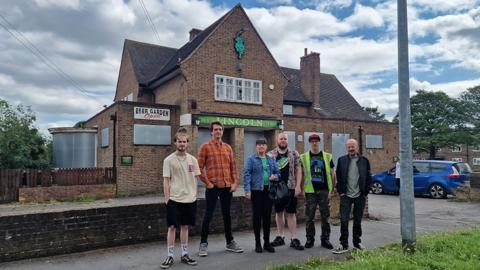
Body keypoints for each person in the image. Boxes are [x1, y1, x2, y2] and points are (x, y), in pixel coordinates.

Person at [197, 121, 243, 257]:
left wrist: (235, 183)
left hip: (226, 187)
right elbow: (198, 168)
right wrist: (207, 183)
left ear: (222, 131)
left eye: (220, 129)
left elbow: (233, 167)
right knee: (208, 215)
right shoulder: (205, 147)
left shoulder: (228, 148)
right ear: (211, 132)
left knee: (227, 215)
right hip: (212, 187)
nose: (218, 131)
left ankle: (230, 242)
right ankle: (203, 244)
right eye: (216, 129)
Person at [161, 128, 200, 268]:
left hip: (190, 200)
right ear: (175, 142)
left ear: (187, 143)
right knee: (172, 227)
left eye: (184, 142)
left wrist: (194, 194)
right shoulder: (168, 160)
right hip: (174, 199)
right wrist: (167, 199)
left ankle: (184, 254)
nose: (182, 144)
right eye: (179, 141)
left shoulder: (193, 160)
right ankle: (169, 256)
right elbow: (166, 180)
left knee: (185, 227)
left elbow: (196, 178)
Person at [333, 139, 372, 254]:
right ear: (347, 148)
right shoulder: (342, 160)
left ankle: (357, 243)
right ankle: (343, 244)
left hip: (360, 195)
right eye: (349, 147)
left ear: (357, 147)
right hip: (346, 195)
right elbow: (338, 177)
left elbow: (369, 177)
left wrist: (365, 192)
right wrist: (341, 192)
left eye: (353, 146)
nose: (351, 149)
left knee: (357, 221)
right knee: (344, 220)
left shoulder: (364, 161)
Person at [267, 132, 304, 250]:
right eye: (281, 138)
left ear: (288, 141)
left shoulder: (294, 153)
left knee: (291, 213)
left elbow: (298, 170)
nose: (283, 140)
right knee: (278, 213)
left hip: (291, 187)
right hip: (277, 188)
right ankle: (280, 236)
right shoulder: (271, 154)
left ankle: (293, 238)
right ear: (277, 140)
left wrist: (298, 186)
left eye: (285, 139)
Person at [244, 138, 280, 253]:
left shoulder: (271, 159)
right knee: (257, 217)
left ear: (266, 147)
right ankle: (257, 243)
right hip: (256, 192)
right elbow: (246, 175)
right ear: (256, 147)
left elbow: (278, 173)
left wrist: (275, 177)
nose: (261, 147)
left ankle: (266, 243)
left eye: (263, 145)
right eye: (259, 145)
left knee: (267, 218)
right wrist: (247, 190)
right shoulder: (251, 159)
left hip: (268, 191)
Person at [299, 134, 335, 250]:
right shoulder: (303, 157)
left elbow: (333, 174)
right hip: (310, 192)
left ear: (319, 143)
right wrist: (301, 188)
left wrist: (332, 190)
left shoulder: (328, 156)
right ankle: (310, 239)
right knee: (309, 218)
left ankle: (325, 240)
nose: (314, 143)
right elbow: (301, 174)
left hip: (324, 191)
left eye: (316, 141)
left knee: (325, 217)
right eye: (312, 141)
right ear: (309, 143)